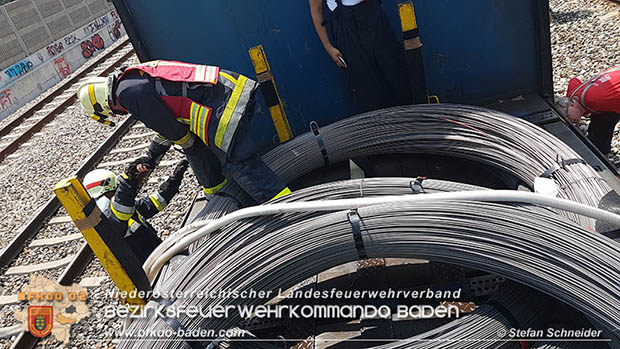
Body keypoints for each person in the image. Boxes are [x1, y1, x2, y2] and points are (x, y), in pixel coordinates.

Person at [76, 60, 291, 204]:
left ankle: (290, 209)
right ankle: (230, 203)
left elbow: (173, 130)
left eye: (111, 114)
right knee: (219, 160)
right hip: (227, 95)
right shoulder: (132, 79)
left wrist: (187, 143)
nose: (117, 115)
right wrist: (152, 155)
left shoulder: (128, 95)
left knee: (240, 166)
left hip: (221, 108)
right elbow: (166, 123)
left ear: (103, 105)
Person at [309, 0, 412, 113]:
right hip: (345, 30)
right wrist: (328, 46)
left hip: (374, 19)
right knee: (368, 91)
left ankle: (411, 122)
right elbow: (316, 10)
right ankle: (382, 128)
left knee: (397, 77)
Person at [83, 158, 188, 263]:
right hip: (150, 271)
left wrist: (173, 181)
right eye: (115, 190)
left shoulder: (122, 210)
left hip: (158, 259)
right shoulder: (106, 221)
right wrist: (128, 180)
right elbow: (122, 208)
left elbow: (154, 202)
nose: (117, 192)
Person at [557, 66, 620, 155]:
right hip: (615, 72)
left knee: (603, 122)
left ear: (571, 105)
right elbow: (573, 81)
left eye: (567, 116)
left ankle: (600, 151)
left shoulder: (592, 101)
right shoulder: (572, 95)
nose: (570, 121)